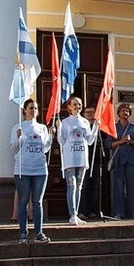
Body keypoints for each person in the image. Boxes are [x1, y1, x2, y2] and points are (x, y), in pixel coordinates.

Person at [10, 99, 53, 243]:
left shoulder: (42, 128)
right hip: (23, 169)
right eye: (30, 108)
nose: (33, 110)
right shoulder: (18, 127)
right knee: (23, 201)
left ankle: (39, 233)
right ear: (24, 110)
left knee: (37, 202)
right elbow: (13, 149)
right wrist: (18, 138)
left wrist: (51, 136)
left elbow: (45, 148)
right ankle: (23, 233)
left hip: (40, 169)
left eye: (35, 108)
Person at [57, 96, 100, 225]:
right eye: (75, 104)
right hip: (70, 158)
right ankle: (72, 214)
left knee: (79, 187)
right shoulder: (65, 122)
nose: (77, 107)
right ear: (69, 107)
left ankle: (76, 214)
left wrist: (95, 127)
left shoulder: (85, 122)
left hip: (81, 157)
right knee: (72, 185)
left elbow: (90, 140)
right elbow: (61, 141)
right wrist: (58, 129)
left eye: (79, 104)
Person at [106, 103, 134, 219]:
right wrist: (121, 142)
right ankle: (118, 212)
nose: (125, 112)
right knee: (118, 187)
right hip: (118, 160)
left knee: (133, 187)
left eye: (127, 111)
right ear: (119, 113)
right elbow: (108, 144)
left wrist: (131, 142)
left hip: (131, 160)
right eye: (122, 110)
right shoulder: (114, 127)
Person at [79, 106, 104, 219]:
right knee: (83, 186)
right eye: (88, 112)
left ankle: (93, 211)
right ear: (83, 114)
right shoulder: (82, 126)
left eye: (92, 112)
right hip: (83, 159)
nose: (90, 114)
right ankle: (82, 211)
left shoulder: (99, 127)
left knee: (94, 186)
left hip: (96, 161)